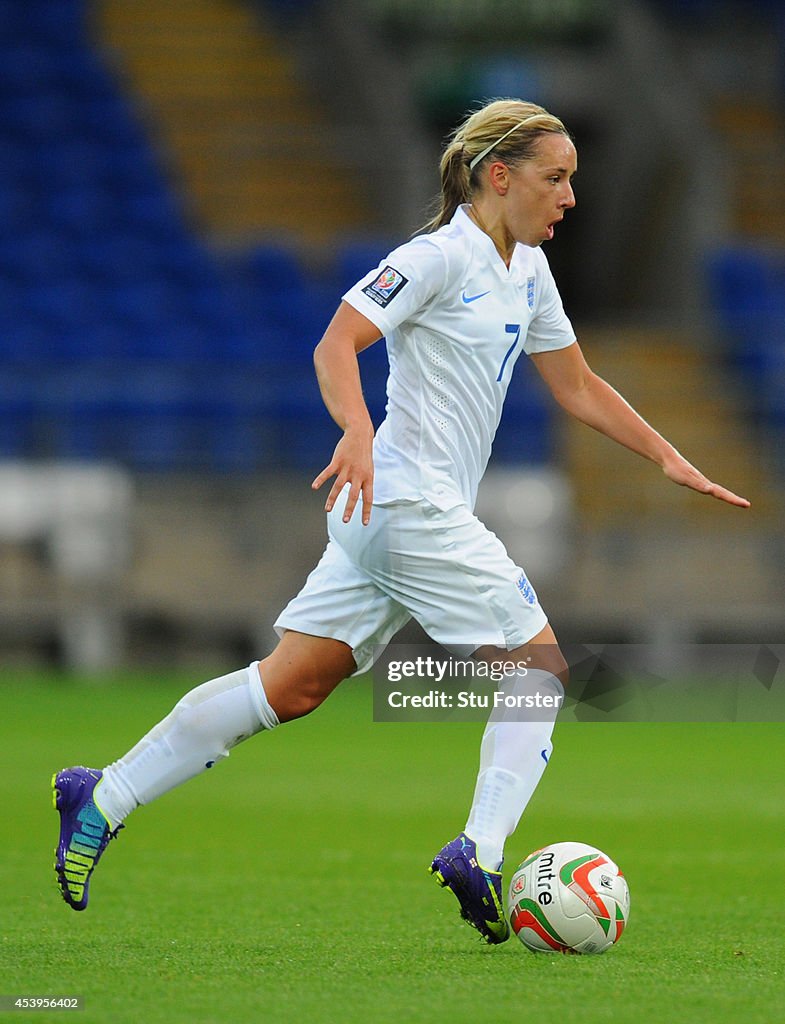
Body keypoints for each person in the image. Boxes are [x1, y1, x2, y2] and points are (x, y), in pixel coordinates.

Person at [52, 99, 749, 943]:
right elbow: (336, 344)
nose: (569, 198)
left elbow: (576, 386)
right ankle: (481, 852)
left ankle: (104, 794)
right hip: (404, 501)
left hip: (390, 518)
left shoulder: (526, 269)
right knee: (541, 669)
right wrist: (355, 429)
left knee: (293, 684)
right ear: (499, 176)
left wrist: (665, 455)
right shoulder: (436, 256)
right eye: (554, 178)